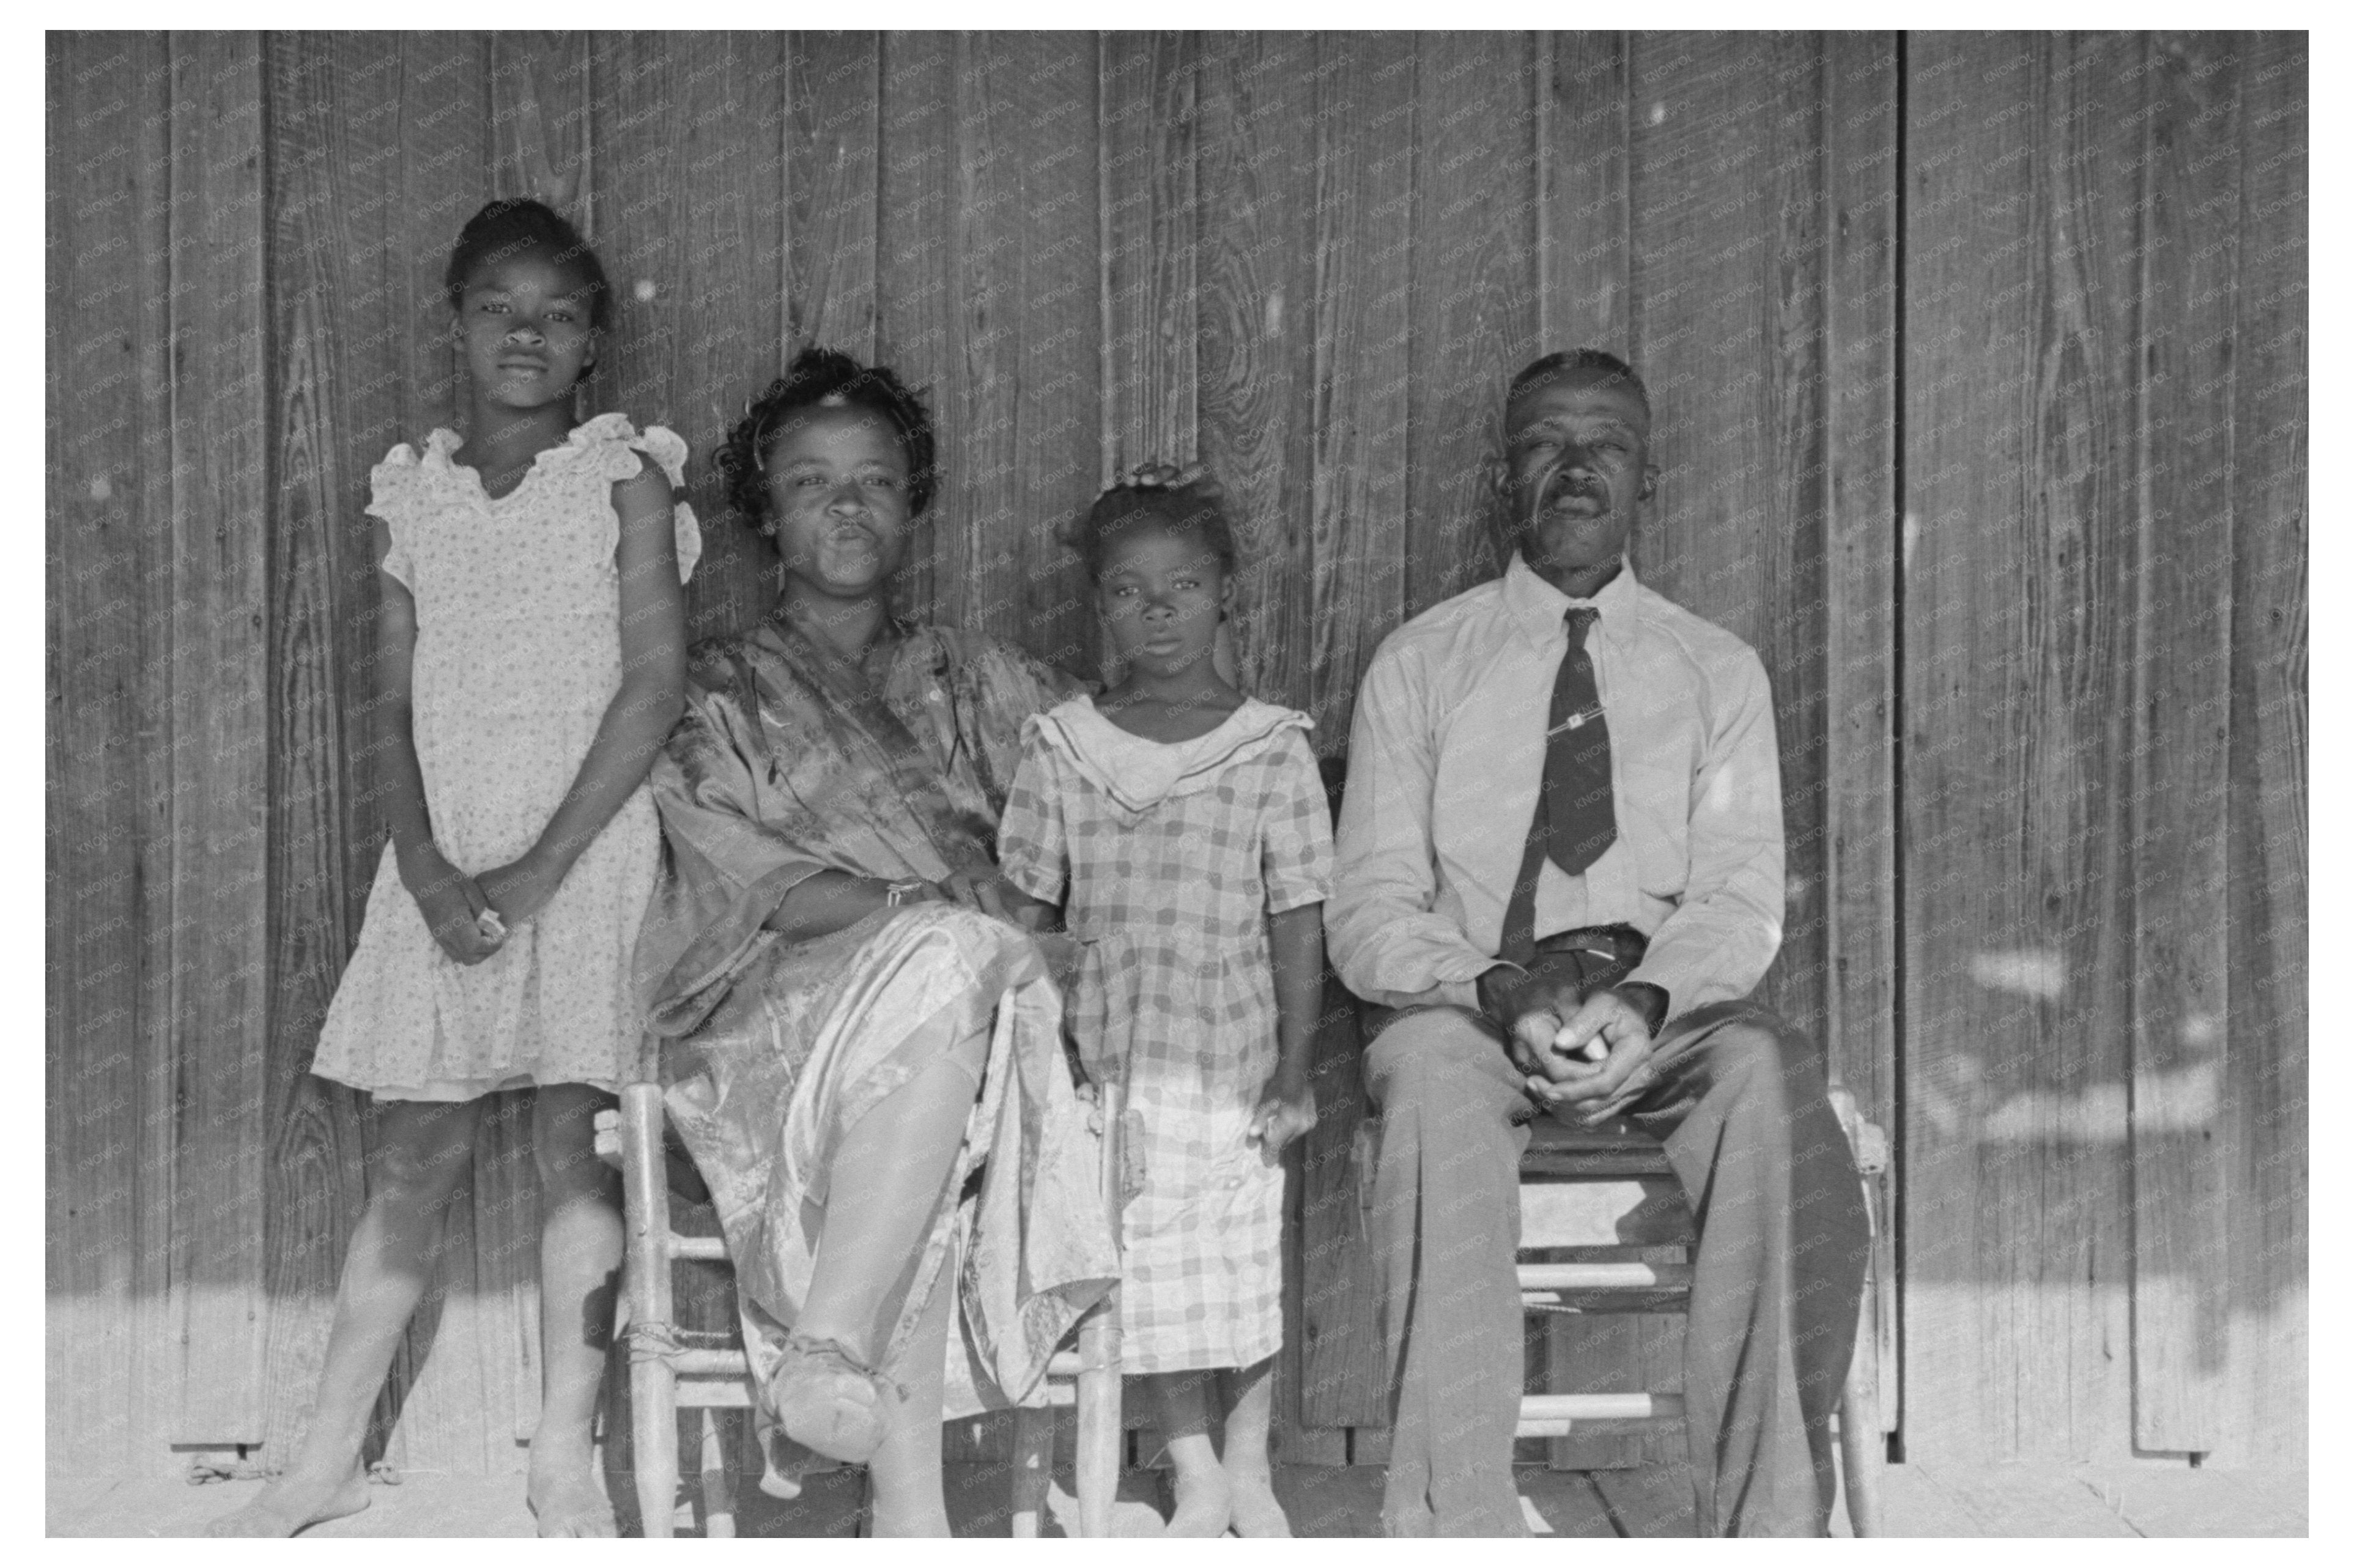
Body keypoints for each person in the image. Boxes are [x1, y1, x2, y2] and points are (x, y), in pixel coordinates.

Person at [209, 198, 698, 1537]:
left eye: (555, 313)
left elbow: (654, 687)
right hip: (437, 866)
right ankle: (326, 1456)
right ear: (456, 323)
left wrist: (537, 870)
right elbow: (387, 703)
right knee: (411, 1157)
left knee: (571, 1155)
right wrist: (425, 868)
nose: (525, 333)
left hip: (582, 862)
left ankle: (560, 1454)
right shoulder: (409, 492)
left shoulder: (623, 479)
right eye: (498, 308)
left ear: (593, 338)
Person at [1327, 349, 1873, 1537]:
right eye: (1545, 444)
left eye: (1605, 446)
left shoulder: (1714, 670)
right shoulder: (1420, 664)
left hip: (1660, 994)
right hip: (1477, 996)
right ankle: (1453, 1529)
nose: (1574, 469)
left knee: (1769, 1088)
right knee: (1421, 1090)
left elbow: (1737, 899)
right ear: (1499, 478)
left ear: (1646, 481)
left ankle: (1768, 1529)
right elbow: (1366, 909)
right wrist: (1498, 990)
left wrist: (1647, 1004)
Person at [634, 346, 1118, 1538]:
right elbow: (735, 883)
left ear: (912, 503)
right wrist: (920, 921)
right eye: (810, 483)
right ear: (764, 513)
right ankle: (907, 1505)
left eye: (873, 481)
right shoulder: (714, 696)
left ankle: (831, 1364)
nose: (846, 506)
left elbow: (1127, 786)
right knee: (952, 968)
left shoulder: (979, 681)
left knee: (953, 1017)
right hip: (776, 1042)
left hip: (948, 1041)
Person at [997, 471, 1331, 1538]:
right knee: (1143, 1265)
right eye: (1130, 593)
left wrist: (1291, 1068)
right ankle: (1192, 1472)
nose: (1158, 612)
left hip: (1228, 1050)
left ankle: (1250, 1466)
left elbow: (1296, 917)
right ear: (1098, 605)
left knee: (1240, 1257)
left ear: (1225, 593)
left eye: (1182, 586)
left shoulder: (1270, 746)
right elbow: (1029, 913)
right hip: (1112, 1054)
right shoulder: (1063, 746)